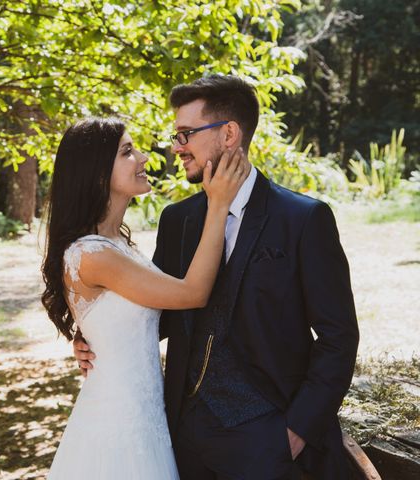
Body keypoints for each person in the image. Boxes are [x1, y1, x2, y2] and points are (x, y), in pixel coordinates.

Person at [74, 75, 359, 479]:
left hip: (271, 435)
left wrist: (297, 431)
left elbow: (339, 337)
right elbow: (159, 311)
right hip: (185, 434)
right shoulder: (178, 220)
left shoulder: (303, 219)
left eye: (186, 134)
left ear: (229, 134)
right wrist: (92, 336)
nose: (177, 147)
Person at [41, 116, 250, 479]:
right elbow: (193, 293)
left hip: (146, 416)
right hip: (118, 424)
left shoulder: (118, 244)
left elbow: (127, 315)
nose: (142, 158)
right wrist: (218, 205)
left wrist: (93, 334)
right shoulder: (93, 255)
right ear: (96, 174)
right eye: (127, 152)